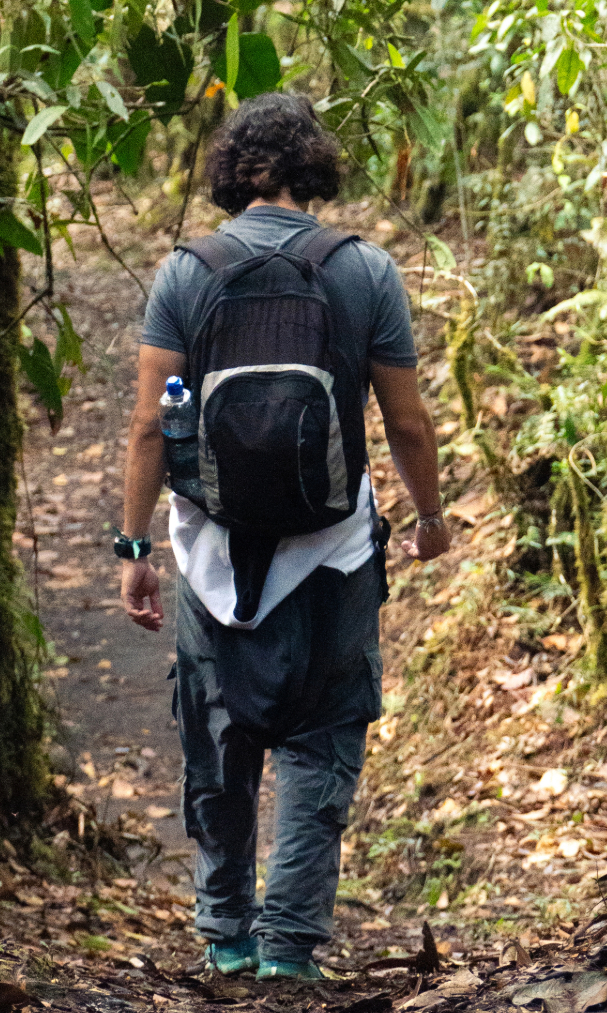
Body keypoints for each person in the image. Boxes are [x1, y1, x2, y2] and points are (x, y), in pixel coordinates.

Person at [117, 92, 449, 981]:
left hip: (210, 549)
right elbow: (407, 421)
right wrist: (429, 515)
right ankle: (290, 953)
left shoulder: (187, 272)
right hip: (333, 548)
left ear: (234, 171)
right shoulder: (364, 271)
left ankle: (225, 937)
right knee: (323, 736)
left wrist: (134, 549)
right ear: (312, 168)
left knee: (217, 739)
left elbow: (151, 425)